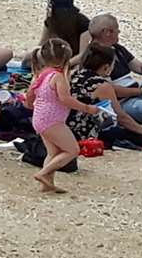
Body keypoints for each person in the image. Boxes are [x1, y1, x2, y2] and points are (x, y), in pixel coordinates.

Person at [25, 37, 94, 193]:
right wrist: (86, 108)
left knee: (53, 152)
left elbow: (30, 93)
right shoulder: (58, 77)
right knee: (72, 150)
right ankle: (42, 174)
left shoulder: (40, 74)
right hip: (53, 120)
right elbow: (65, 99)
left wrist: (29, 104)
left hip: (40, 117)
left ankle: (47, 183)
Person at [69, 44, 142, 149]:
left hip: (69, 129)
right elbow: (121, 117)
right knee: (136, 136)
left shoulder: (73, 75)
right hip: (86, 132)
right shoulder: (102, 85)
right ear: (106, 67)